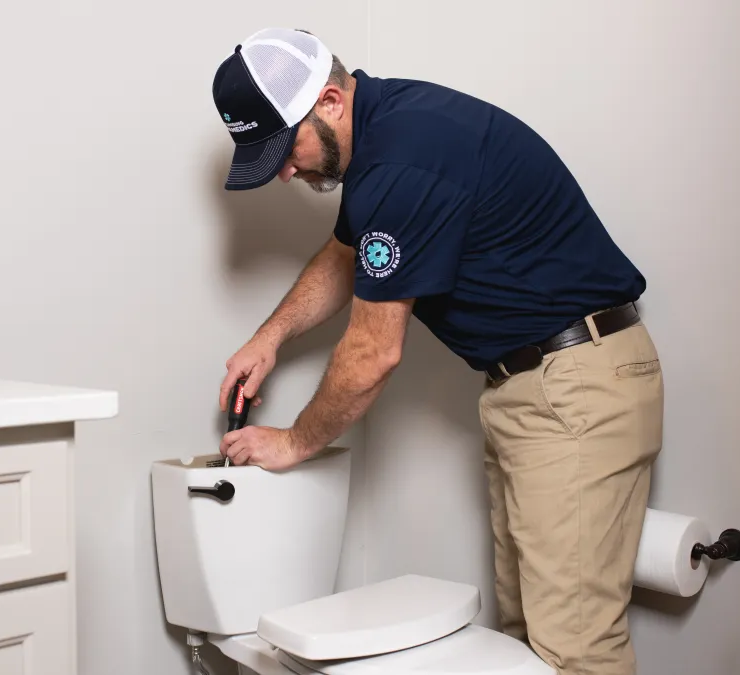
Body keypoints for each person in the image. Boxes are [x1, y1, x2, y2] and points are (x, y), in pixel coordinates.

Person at [212, 27, 663, 675]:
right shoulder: (384, 135)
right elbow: (346, 253)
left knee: (575, 653)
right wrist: (270, 335)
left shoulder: (404, 162)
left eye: (286, 148)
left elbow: (372, 354)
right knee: (526, 641)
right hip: (534, 386)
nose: (284, 169)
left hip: (575, 386)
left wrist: (293, 442)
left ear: (332, 100)